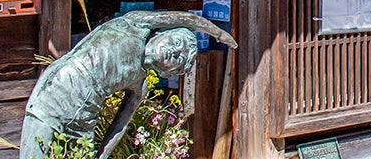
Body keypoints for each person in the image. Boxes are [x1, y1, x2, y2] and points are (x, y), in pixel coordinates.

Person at [19, 11, 236, 159]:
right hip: (58, 92)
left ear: (168, 72)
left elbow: (119, 126)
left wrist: (101, 154)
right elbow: (181, 17)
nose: (173, 51)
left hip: (84, 121)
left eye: (178, 58)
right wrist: (216, 32)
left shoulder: (139, 84)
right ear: (164, 32)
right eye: (176, 42)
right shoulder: (134, 26)